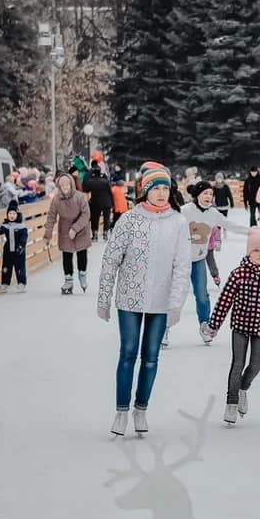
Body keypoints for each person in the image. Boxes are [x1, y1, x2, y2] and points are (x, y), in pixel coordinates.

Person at [97, 163, 191, 436]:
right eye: (155, 188)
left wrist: (175, 304)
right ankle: (121, 412)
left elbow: (182, 266)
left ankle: (141, 409)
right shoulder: (129, 219)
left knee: (151, 358)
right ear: (145, 190)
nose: (161, 193)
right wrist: (104, 298)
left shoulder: (178, 222)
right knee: (128, 353)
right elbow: (110, 260)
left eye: (165, 188)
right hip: (129, 298)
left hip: (161, 302)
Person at [206, 227, 260, 425]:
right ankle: (231, 403)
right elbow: (225, 301)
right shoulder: (239, 274)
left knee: (256, 364)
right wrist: (214, 325)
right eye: (256, 250)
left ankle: (243, 387)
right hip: (241, 327)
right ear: (248, 252)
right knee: (238, 363)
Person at [182, 181, 249, 344]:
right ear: (197, 195)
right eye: (205, 193)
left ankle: (205, 326)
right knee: (175, 297)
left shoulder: (213, 213)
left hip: (198, 260)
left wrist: (252, 231)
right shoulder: (184, 211)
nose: (208, 197)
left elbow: (230, 225)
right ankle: (165, 329)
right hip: (180, 262)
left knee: (202, 296)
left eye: (210, 194)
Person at [44, 171, 92, 295]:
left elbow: (86, 214)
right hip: (65, 229)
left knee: (82, 253)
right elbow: (51, 217)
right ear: (59, 186)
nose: (65, 187)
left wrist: (75, 228)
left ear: (71, 184)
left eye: (67, 185)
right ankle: (68, 280)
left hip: (81, 229)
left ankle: (82, 274)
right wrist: (47, 234)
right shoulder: (56, 200)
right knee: (67, 255)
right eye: (62, 185)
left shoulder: (80, 197)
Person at [0, 200, 29, 294]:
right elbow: (1, 231)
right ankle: (5, 284)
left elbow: (24, 236)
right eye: (10, 213)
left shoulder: (21, 226)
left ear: (17, 214)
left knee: (20, 267)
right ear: (7, 215)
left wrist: (21, 245)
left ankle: (21, 283)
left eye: (13, 213)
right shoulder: (6, 225)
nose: (11, 215)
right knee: (6, 267)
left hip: (19, 250)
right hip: (8, 250)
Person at [84, 164, 114, 241]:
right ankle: (105, 234)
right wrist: (112, 203)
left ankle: (95, 235)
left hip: (95, 202)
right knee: (106, 218)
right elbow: (110, 192)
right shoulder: (105, 181)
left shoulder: (90, 181)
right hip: (106, 202)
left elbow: (86, 189)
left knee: (95, 218)